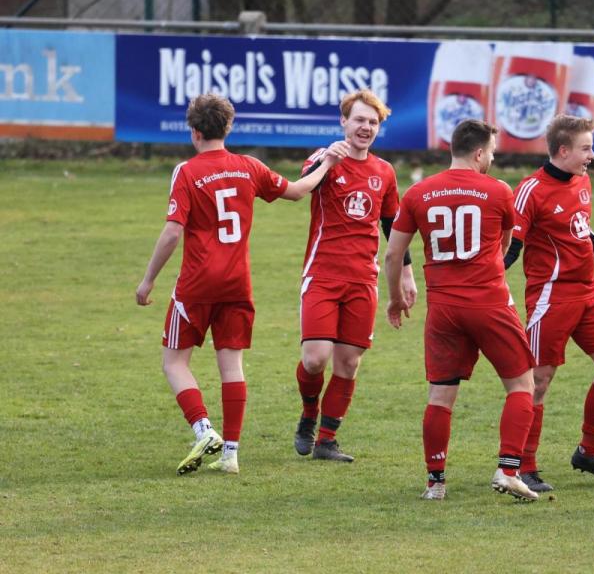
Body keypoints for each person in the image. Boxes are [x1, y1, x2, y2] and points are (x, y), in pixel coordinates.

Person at [136, 92, 340, 476]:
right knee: (232, 366)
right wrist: (327, 162)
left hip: (197, 283)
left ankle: (203, 430)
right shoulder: (248, 166)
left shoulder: (187, 172)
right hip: (237, 283)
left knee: (173, 362)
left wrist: (148, 281)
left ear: (194, 132)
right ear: (228, 127)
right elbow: (298, 191)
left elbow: (172, 232)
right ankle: (230, 454)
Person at [384, 119, 539, 502]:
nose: (492, 159)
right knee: (522, 386)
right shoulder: (499, 191)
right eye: (492, 153)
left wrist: (395, 298)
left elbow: (392, 254)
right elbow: (505, 245)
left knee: (440, 395)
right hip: (489, 303)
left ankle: (435, 483)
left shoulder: (418, 192)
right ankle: (508, 470)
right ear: (479, 153)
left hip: (443, 308)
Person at [505, 114, 594, 493]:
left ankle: (589, 452)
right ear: (563, 150)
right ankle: (524, 466)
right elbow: (512, 246)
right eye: (586, 149)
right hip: (551, 297)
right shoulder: (531, 190)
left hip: (589, 293)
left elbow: (584, 231)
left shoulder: (582, 180)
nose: (592, 156)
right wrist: (489, 278)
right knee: (538, 380)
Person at [292, 89, 417, 462]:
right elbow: (303, 186)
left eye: (373, 122)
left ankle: (327, 441)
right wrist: (329, 161)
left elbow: (393, 225)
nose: (366, 127)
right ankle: (309, 414)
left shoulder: (384, 171)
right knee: (315, 359)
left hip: (363, 279)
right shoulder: (324, 157)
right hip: (322, 275)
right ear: (343, 121)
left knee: (348, 362)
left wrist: (407, 274)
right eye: (359, 119)